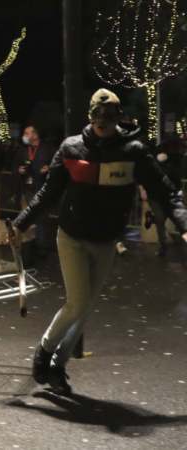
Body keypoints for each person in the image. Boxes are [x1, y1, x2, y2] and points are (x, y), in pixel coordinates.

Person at [12, 88, 187, 395]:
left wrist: (184, 223)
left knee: (86, 307)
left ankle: (57, 366)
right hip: (72, 237)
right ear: (90, 117)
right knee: (78, 302)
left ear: (118, 118)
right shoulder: (71, 149)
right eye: (98, 117)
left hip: (105, 240)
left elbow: (165, 191)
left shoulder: (133, 151)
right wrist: (20, 223)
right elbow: (48, 194)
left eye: (109, 117)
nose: (103, 123)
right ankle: (44, 351)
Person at [14, 125, 57, 259]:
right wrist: (18, 170)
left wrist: (49, 168)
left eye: (27, 133)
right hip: (26, 189)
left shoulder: (48, 149)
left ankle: (42, 247)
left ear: (35, 135)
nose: (25, 135)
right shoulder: (22, 150)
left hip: (42, 188)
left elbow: (59, 164)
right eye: (24, 133)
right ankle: (28, 247)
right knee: (26, 218)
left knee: (41, 218)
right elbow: (14, 166)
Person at [142, 138, 185, 257]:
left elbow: (177, 179)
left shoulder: (176, 161)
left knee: (177, 221)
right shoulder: (156, 161)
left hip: (170, 196)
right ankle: (163, 247)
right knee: (161, 219)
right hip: (156, 196)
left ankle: (152, 219)